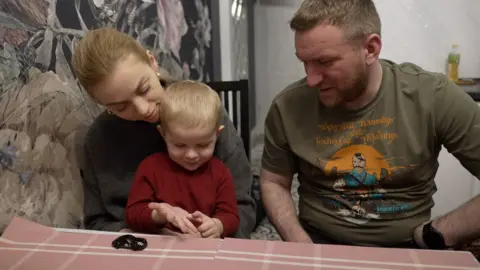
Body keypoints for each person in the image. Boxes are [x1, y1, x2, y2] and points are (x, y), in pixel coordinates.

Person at [260, 0, 480, 249]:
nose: (311, 79)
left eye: (324, 62)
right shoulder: (287, 106)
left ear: (371, 49)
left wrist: (440, 232)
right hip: (317, 242)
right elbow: (274, 182)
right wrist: (300, 245)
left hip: (408, 245)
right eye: (304, 61)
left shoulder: (433, 97)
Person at [71, 27, 256, 238]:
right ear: (101, 103)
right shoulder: (99, 138)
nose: (143, 110)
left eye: (144, 89)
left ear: (152, 62)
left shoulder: (201, 112)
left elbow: (243, 205)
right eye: (120, 107)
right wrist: (147, 235)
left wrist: (216, 231)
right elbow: (97, 222)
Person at [125, 80, 240, 238]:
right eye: (179, 145)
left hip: (205, 249)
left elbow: (231, 216)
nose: (191, 155)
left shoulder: (220, 173)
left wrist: (218, 225)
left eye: (202, 145)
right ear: (163, 134)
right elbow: (132, 214)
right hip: (164, 248)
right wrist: (159, 215)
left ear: (217, 135)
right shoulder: (150, 168)